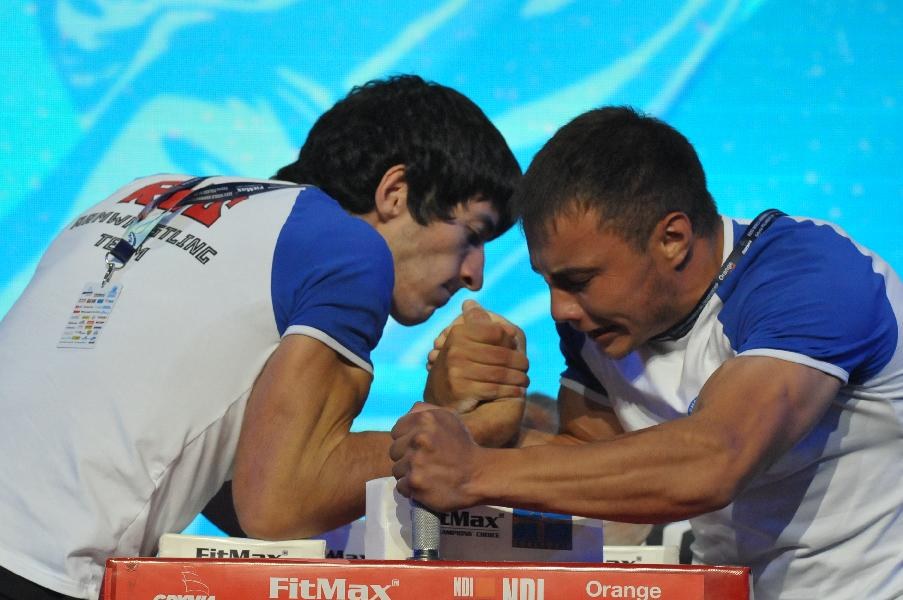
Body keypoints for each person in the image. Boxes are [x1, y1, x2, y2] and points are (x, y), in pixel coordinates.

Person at [0, 75, 528, 600]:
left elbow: (218, 479)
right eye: (473, 234)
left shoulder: (141, 195)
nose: (475, 275)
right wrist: (467, 430)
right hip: (40, 573)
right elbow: (276, 505)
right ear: (395, 192)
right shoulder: (350, 249)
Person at [391, 106, 903, 599]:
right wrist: (481, 422)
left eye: (578, 281)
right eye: (549, 282)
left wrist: (475, 471)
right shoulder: (601, 323)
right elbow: (588, 460)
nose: (559, 309)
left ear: (673, 238)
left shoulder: (810, 277)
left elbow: (715, 458)